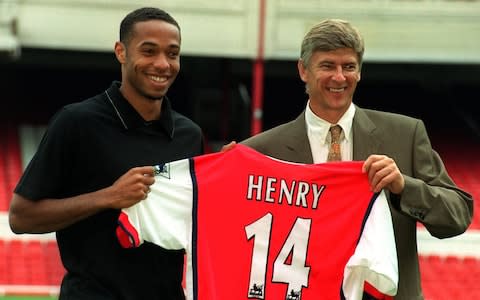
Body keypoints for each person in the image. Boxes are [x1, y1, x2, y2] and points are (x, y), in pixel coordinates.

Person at [240, 19, 473, 299]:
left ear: (359, 72)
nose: (339, 77)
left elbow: (458, 215)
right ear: (303, 70)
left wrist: (404, 187)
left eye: (349, 67)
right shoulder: (262, 151)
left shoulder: (405, 134)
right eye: (327, 66)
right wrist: (232, 167)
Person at [9, 7, 203, 300]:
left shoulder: (190, 135)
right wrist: (109, 196)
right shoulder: (77, 122)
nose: (163, 64)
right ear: (121, 52)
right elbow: (21, 217)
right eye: (148, 51)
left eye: (172, 53)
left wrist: (228, 168)